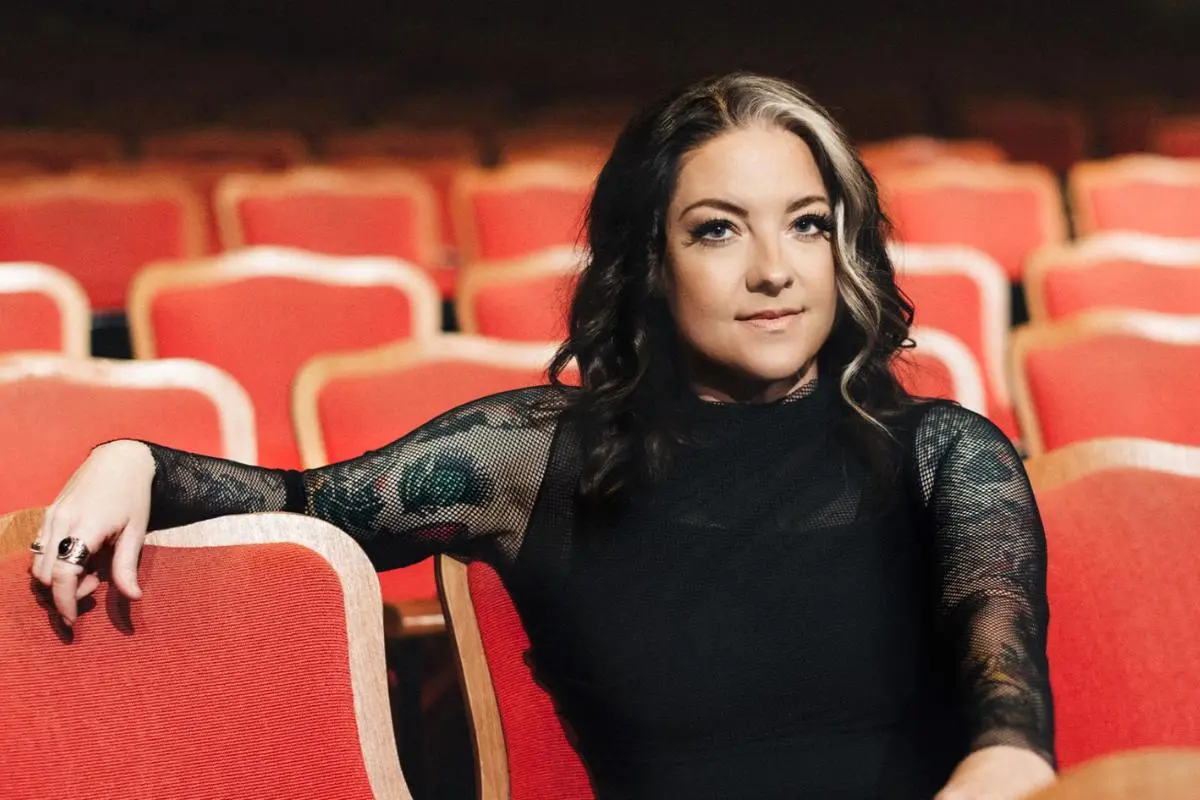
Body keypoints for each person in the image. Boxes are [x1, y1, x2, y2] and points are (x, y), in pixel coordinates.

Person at [29, 73, 1056, 799]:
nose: (774, 269)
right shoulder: (534, 458)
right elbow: (300, 507)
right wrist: (134, 460)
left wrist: (1001, 770)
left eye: (808, 222)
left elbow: (1008, 715)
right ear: (648, 261)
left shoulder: (945, 456)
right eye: (718, 228)